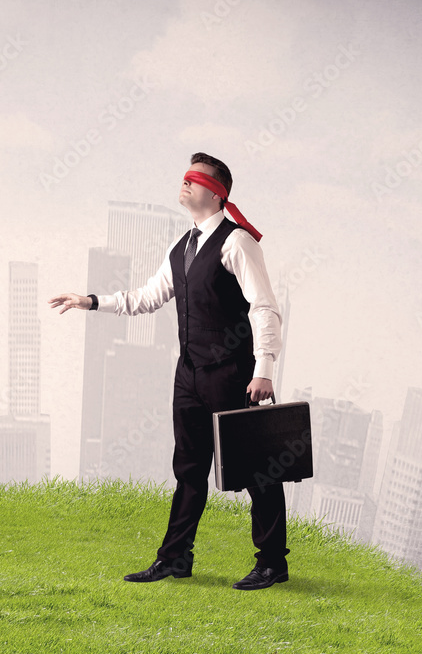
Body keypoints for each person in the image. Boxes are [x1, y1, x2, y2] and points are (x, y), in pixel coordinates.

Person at [48, 152, 287, 590]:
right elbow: (148, 296)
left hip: (234, 374)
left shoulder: (237, 243)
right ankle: (175, 558)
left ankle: (272, 562)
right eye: (183, 177)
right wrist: (91, 301)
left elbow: (265, 307)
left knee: (257, 468)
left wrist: (264, 369)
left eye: (193, 180)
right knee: (189, 469)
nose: (184, 184)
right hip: (190, 375)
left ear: (215, 193)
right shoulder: (182, 246)